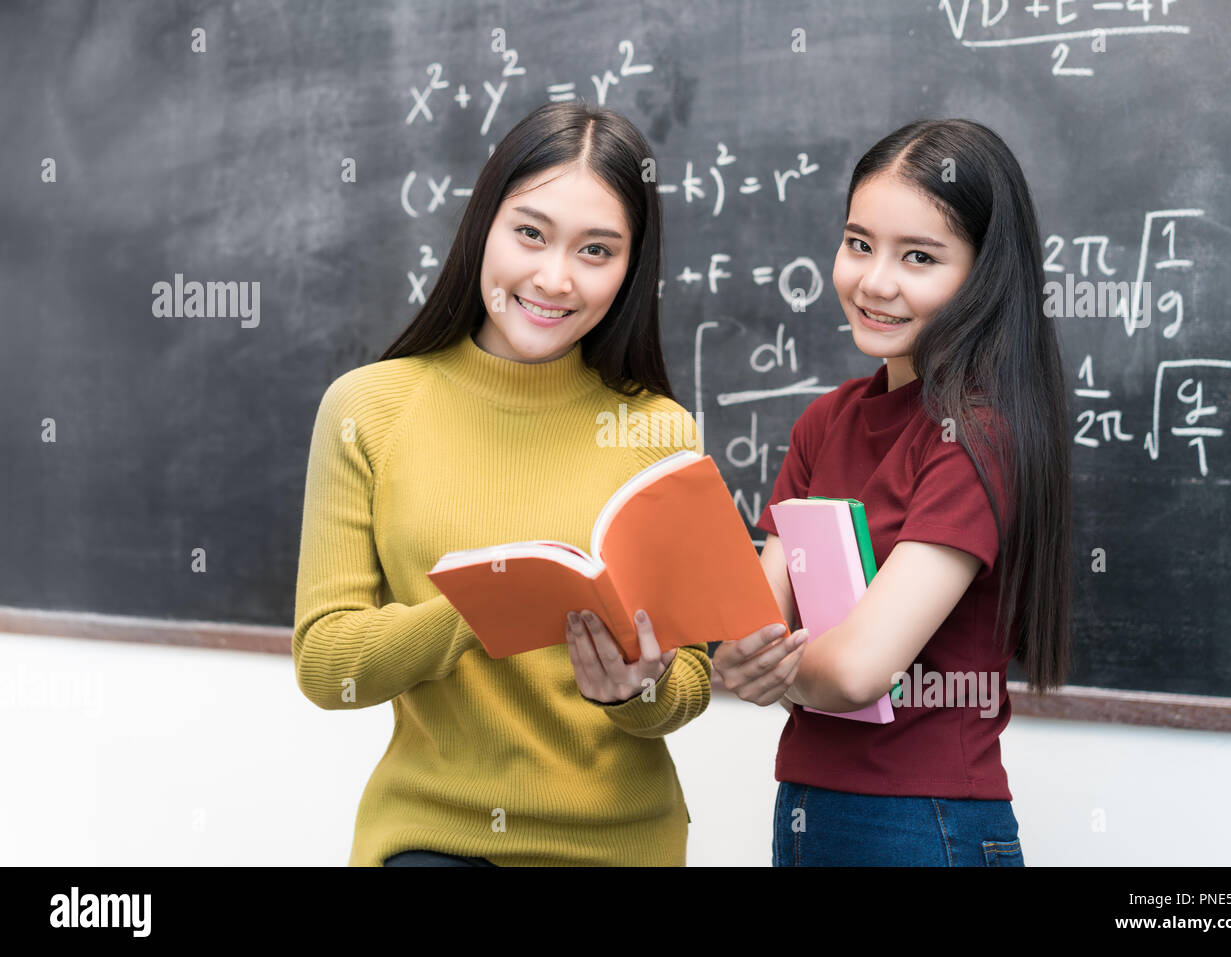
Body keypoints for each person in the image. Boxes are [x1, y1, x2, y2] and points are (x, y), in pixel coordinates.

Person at [291, 101, 796, 867]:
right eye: (530, 232)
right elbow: (329, 666)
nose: (554, 278)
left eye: (597, 250)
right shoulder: (367, 408)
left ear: (631, 268)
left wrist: (632, 692)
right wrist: (487, 602)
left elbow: (687, 679)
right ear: (483, 227)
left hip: (620, 845)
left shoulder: (656, 428)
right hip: (433, 839)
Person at [712, 118, 1073, 867]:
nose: (875, 281)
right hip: (809, 806)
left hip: (925, 823)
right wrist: (755, 654)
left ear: (982, 274)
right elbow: (747, 627)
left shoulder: (980, 435)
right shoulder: (824, 422)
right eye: (858, 243)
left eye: (919, 256)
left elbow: (853, 671)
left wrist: (771, 665)